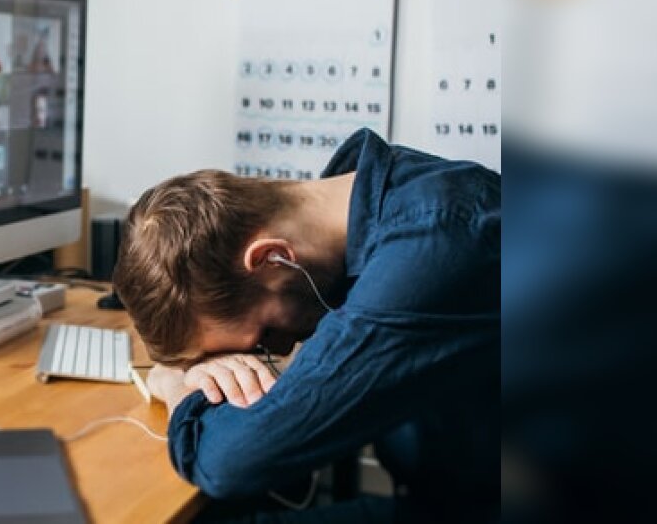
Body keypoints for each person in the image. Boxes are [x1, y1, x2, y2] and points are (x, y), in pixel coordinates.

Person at [113, 128, 498, 523]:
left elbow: (228, 464)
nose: (278, 352)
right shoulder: (383, 198)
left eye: (263, 336)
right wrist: (181, 370)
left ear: (273, 258)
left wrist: (179, 386)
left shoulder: (428, 250)